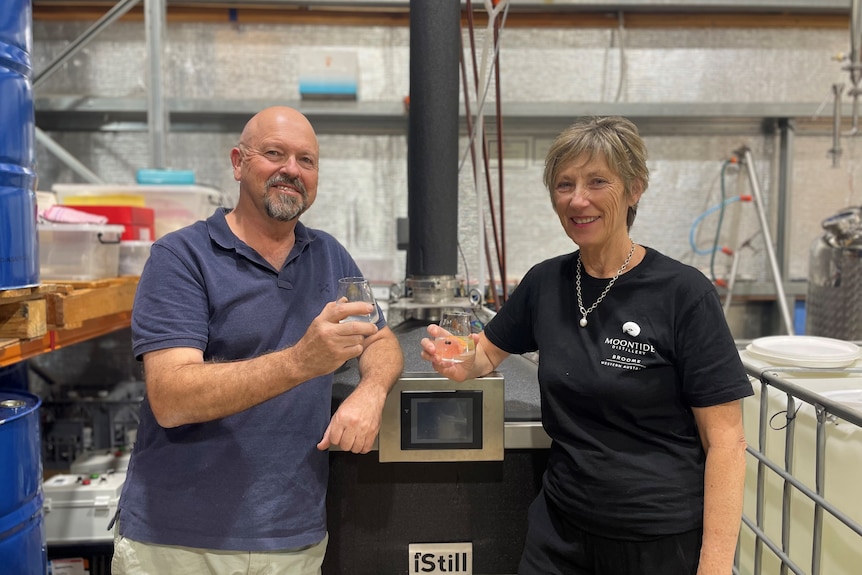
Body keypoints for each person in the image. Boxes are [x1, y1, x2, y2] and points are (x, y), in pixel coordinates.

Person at [421, 116, 753, 575]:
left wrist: (715, 565)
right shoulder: (546, 282)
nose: (578, 200)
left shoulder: (683, 293)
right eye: (564, 184)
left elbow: (727, 442)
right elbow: (485, 354)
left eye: (598, 182)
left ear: (635, 189)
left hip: (657, 540)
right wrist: (458, 362)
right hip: (561, 530)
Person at [112, 106, 403, 574]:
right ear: (238, 163)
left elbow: (382, 339)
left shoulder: (329, 255)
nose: (292, 169)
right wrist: (300, 362)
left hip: (293, 539)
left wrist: (371, 392)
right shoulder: (181, 256)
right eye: (274, 153)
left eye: (306, 160)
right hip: (181, 543)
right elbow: (171, 396)